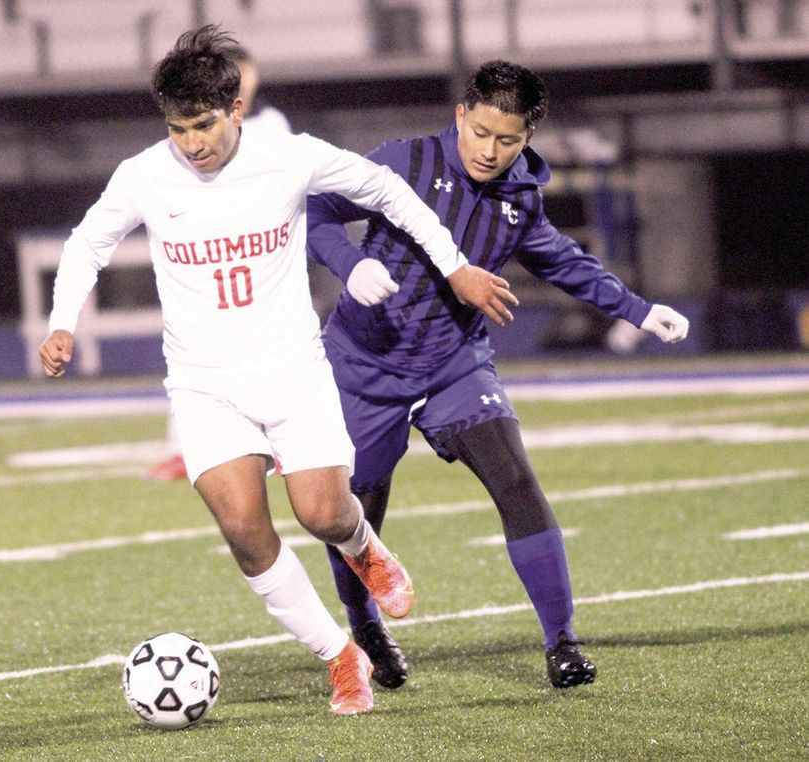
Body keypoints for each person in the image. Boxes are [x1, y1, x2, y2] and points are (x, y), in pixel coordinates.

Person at [39, 26, 517, 715]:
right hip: (205, 384)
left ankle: (363, 545)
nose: (192, 143)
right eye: (178, 129)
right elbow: (88, 244)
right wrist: (62, 321)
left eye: (204, 125)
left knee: (322, 513)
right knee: (244, 530)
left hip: (291, 369)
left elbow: (389, 192)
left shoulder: (289, 157)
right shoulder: (145, 173)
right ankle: (339, 657)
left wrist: (455, 266)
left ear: (235, 110)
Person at [307, 59, 690, 692]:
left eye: (507, 140)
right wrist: (349, 266)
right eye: (480, 132)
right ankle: (367, 627)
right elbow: (317, 211)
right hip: (364, 360)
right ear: (460, 115)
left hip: (454, 361)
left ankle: (561, 640)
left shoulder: (520, 196)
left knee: (515, 478)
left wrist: (639, 310)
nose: (489, 150)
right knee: (355, 510)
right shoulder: (403, 162)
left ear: (528, 138)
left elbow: (565, 262)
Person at [144, 43, 296, 482]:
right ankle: (183, 448)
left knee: (275, 348)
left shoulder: (271, 124)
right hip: (213, 252)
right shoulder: (197, 126)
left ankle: (286, 443)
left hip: (262, 255)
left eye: (246, 72)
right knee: (193, 348)